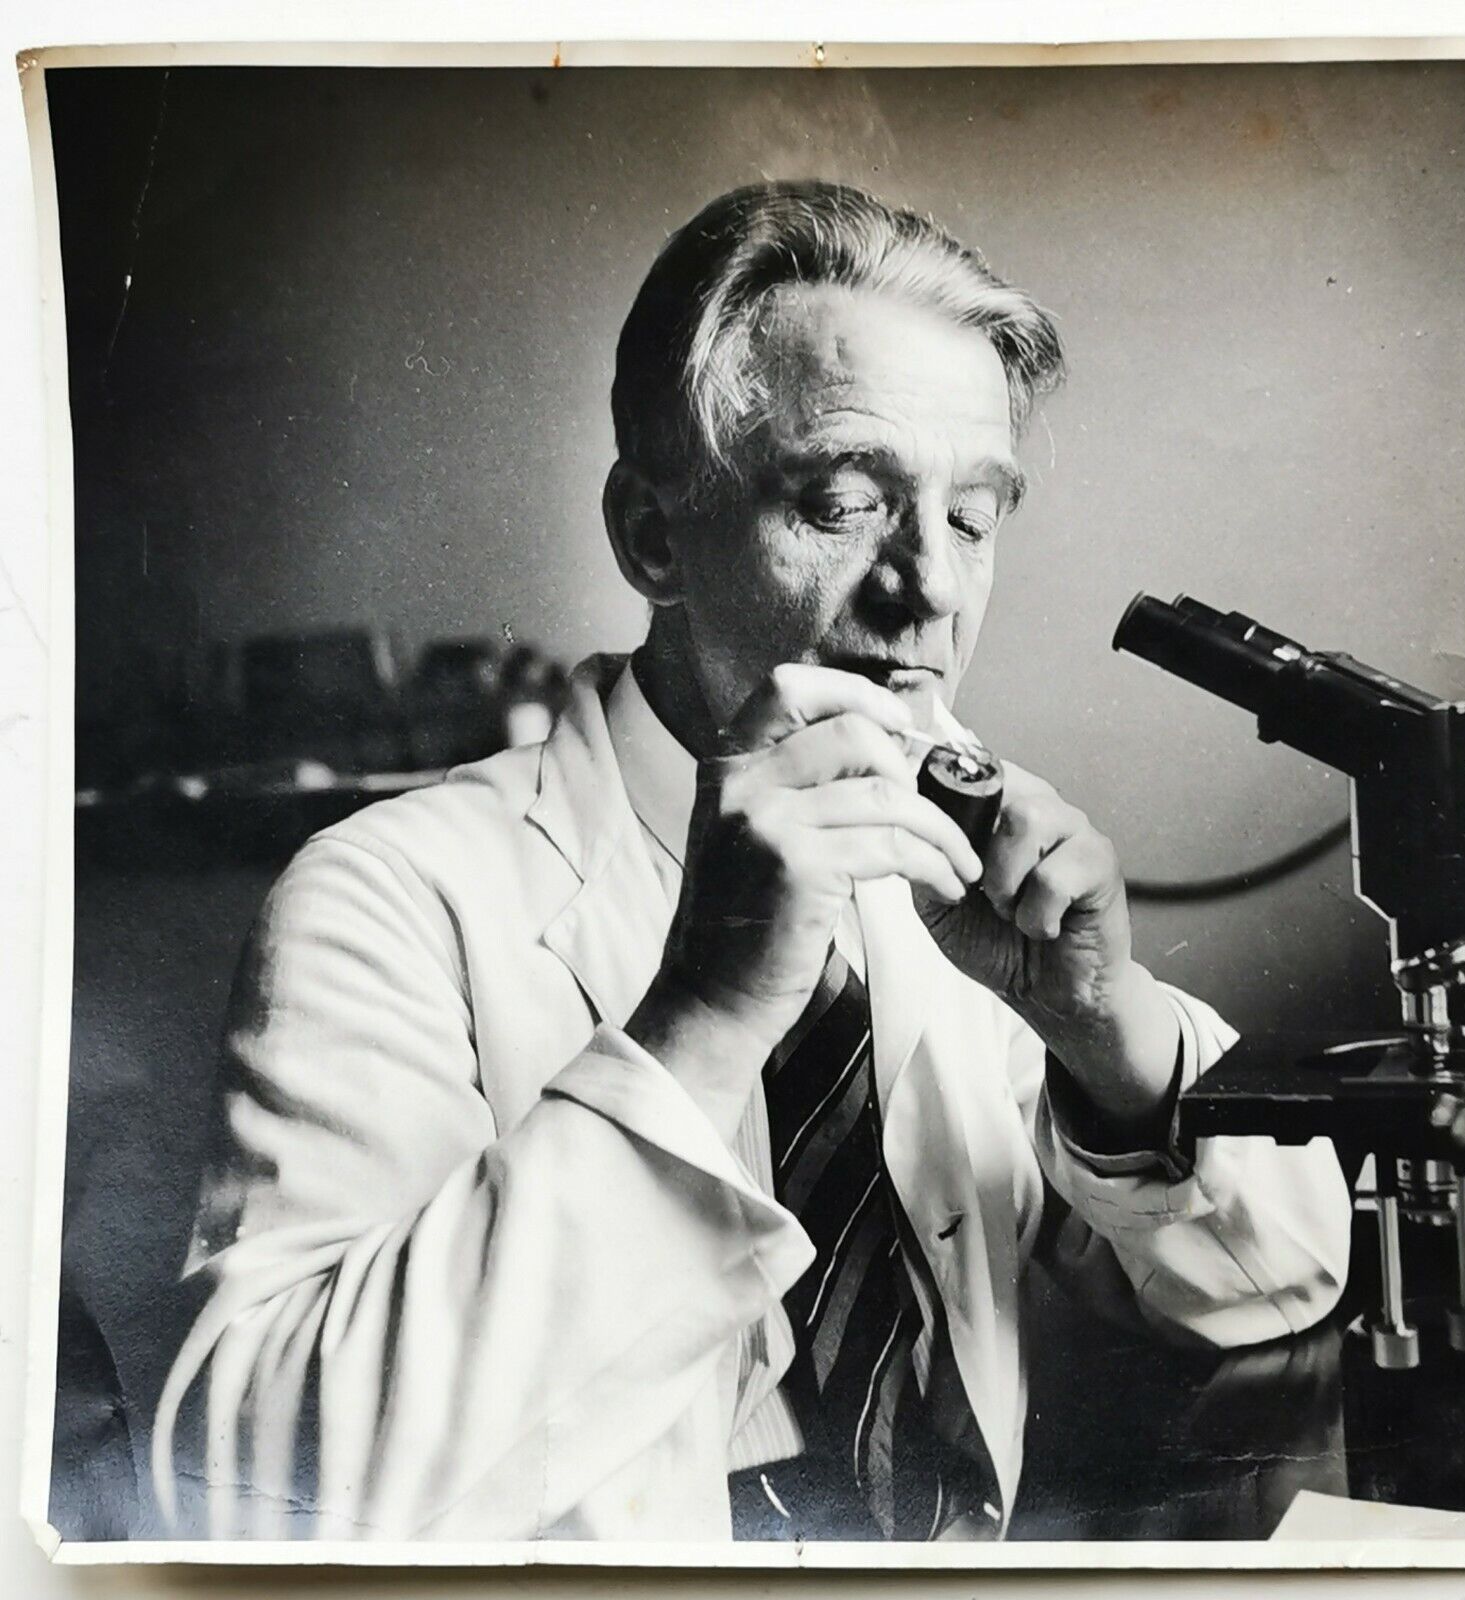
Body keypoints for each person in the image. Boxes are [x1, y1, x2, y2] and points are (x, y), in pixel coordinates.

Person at [152, 181, 1352, 1543]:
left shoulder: (946, 867)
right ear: (653, 534)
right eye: (846, 502)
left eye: (972, 517)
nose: (934, 588)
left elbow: (1287, 1277)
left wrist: (1103, 1035)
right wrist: (705, 1022)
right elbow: (249, 1488)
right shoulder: (393, 897)